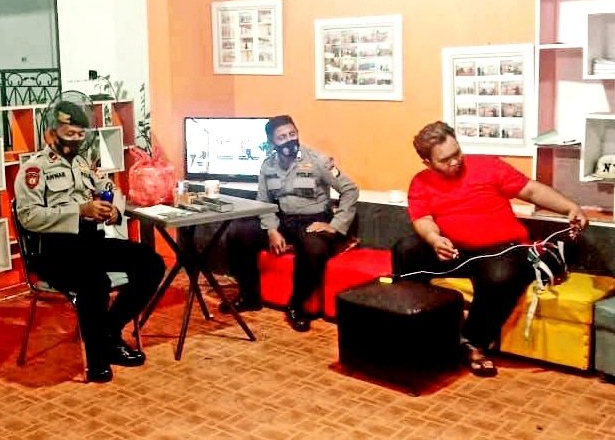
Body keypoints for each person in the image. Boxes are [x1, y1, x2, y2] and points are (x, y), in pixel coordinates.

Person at [392, 121, 588, 377]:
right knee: (405, 249)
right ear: (428, 162)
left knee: (500, 276)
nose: (455, 162)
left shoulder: (488, 166)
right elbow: (423, 219)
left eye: (456, 153)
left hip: (501, 251)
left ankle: (472, 343)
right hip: (456, 251)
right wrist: (434, 239)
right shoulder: (421, 182)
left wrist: (571, 207)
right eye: (445, 160)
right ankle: (418, 326)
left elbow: (531, 191)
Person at [15, 101, 164, 383]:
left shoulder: (83, 163)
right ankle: (98, 360)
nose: (76, 139)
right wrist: (79, 211)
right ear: (50, 134)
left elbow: (109, 187)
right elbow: (28, 217)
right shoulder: (34, 170)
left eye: (80, 134)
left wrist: (114, 209)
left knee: (150, 263)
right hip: (53, 251)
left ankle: (109, 331)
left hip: (89, 243)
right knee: (95, 283)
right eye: (70, 134)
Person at [222, 115, 359, 332]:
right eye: (282, 137)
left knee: (314, 249)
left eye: (292, 134)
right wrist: (271, 230)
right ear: (271, 142)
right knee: (237, 233)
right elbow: (263, 202)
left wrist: (335, 225)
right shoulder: (268, 166)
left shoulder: (318, 160)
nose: (289, 140)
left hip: (312, 220)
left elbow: (350, 190)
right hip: (283, 219)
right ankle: (249, 295)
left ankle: (297, 306)